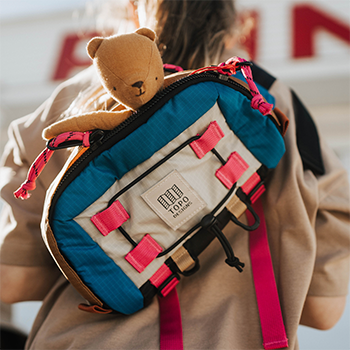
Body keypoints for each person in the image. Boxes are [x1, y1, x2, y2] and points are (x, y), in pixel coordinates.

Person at [0, 0, 350, 349]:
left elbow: (12, 280)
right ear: (233, 21)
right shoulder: (269, 97)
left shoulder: (71, 104)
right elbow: (323, 309)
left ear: (134, 10)